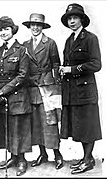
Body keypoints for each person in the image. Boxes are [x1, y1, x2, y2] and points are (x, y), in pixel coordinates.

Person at [59, 3, 102, 174]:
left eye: (75, 18)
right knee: (80, 126)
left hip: (86, 90)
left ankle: (87, 159)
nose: (72, 21)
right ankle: (87, 158)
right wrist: (63, 70)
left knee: (88, 125)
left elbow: (96, 64)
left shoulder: (90, 38)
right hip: (73, 90)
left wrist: (72, 69)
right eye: (69, 18)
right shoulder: (70, 40)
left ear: (82, 19)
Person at [0, 16, 32, 176]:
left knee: (18, 128)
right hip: (2, 99)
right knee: (7, 128)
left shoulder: (21, 50)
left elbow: (22, 76)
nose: (3, 32)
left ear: (13, 30)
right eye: (1, 30)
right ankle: (13, 157)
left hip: (18, 97)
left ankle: (21, 160)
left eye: (6, 29)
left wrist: (2, 91)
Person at [22, 13, 63, 170]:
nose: (35, 27)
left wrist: (55, 85)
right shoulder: (25, 45)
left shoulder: (50, 43)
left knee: (50, 123)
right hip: (32, 88)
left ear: (42, 27)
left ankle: (57, 155)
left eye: (38, 25)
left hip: (47, 88)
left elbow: (55, 65)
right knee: (36, 123)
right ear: (29, 27)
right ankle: (43, 153)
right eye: (32, 25)